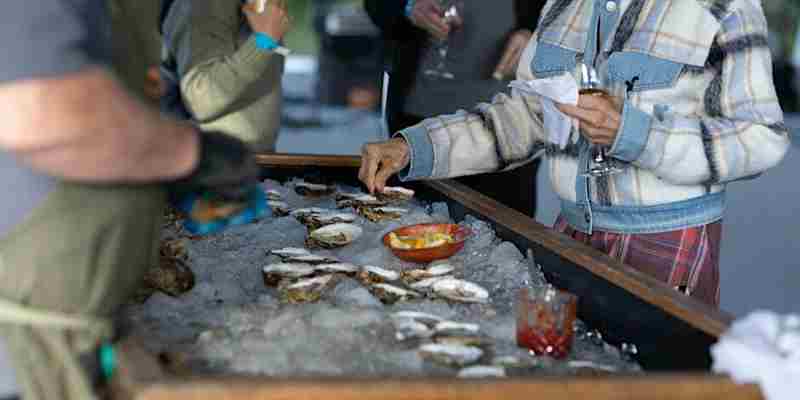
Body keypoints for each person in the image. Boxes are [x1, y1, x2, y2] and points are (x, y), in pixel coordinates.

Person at [359, 0, 791, 306]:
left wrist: (635, 134)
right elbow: (525, 118)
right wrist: (413, 147)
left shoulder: (724, 7)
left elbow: (760, 138)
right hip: (569, 235)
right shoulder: (564, 6)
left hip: (666, 243)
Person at [0, 0, 264, 399]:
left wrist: (149, 167)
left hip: (60, 343)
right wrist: (189, 156)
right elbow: (40, 110)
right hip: (20, 356)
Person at [364, 0, 547, 217]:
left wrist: (537, 35)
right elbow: (377, 6)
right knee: (412, 232)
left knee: (504, 239)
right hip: (418, 114)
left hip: (511, 124)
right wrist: (407, 6)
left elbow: (567, 18)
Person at [161, 0, 290, 152]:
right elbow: (201, 98)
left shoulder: (257, 5)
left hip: (250, 160)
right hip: (215, 164)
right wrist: (265, 41)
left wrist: (269, 39)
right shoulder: (203, 7)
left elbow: (270, 62)